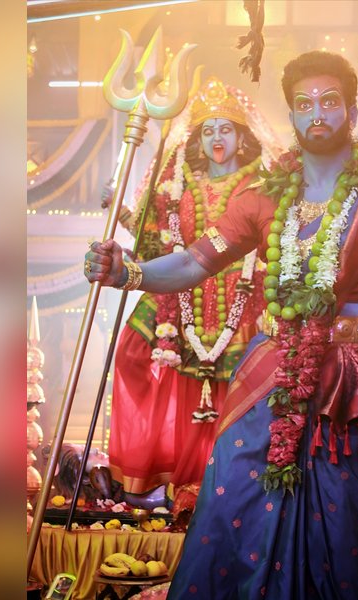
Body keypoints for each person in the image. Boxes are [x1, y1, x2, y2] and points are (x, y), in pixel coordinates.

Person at [85, 51, 358, 599]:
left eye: (329, 101)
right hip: (266, 375)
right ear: (291, 116)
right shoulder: (262, 197)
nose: (317, 113)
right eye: (304, 104)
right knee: (229, 510)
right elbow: (194, 262)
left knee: (338, 528)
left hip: (343, 390)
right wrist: (129, 272)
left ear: (352, 113)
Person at [100, 77, 281, 499]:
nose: (217, 137)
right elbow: (154, 244)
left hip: (242, 295)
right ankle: (163, 474)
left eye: (226, 129)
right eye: (208, 130)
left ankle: (225, 485)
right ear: (198, 140)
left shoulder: (262, 187)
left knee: (232, 389)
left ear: (241, 137)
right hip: (181, 293)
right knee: (131, 352)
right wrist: (123, 213)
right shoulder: (178, 183)